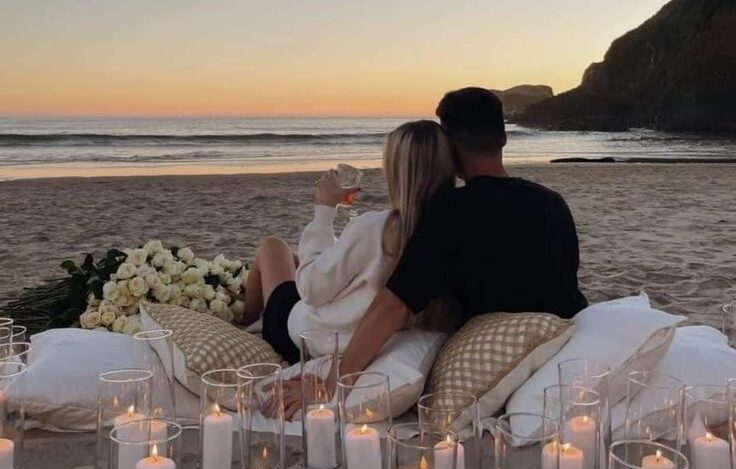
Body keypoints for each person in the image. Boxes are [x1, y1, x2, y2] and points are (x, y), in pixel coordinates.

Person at [281, 86, 588, 417]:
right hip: (565, 345)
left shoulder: (452, 212)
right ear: (503, 138)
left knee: (285, 266)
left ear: (450, 149)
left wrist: (331, 384)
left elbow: (391, 307)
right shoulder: (551, 203)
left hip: (504, 349)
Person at [243, 120, 455, 379]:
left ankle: (244, 326)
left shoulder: (376, 228)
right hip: (359, 334)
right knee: (296, 260)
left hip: (304, 332)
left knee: (272, 247)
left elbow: (310, 289)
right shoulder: (448, 234)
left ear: (396, 170)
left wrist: (324, 209)